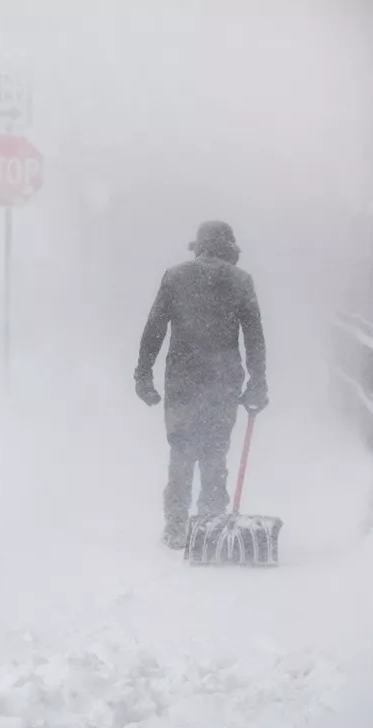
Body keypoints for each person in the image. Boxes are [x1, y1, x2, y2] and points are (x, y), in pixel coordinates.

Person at [134, 220, 268, 549]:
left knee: (181, 450)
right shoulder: (240, 281)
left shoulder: (175, 277)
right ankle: (209, 523)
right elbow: (254, 338)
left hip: (182, 377)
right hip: (222, 380)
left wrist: (144, 373)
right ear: (229, 248)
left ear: (199, 246)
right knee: (214, 451)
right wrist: (257, 382)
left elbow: (154, 329)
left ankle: (176, 526)